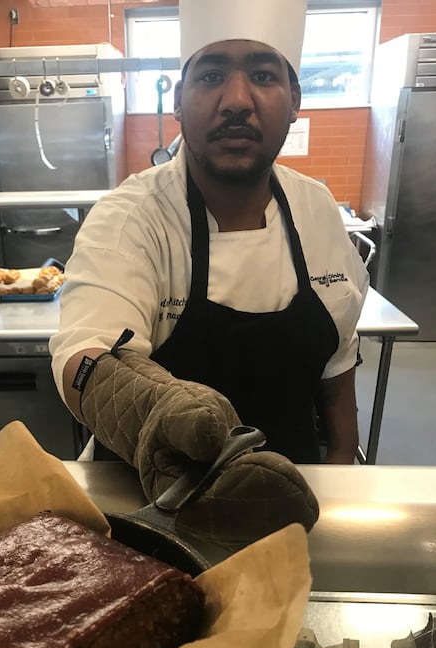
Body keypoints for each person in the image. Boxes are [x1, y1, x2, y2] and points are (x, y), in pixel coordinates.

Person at [50, 0, 368, 547]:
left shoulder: (315, 208)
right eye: (213, 74)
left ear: (294, 101)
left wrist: (342, 465)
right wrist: (160, 410)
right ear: (179, 101)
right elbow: (83, 358)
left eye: (264, 76)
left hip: (291, 505)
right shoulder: (131, 218)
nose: (237, 101)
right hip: (151, 514)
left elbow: (338, 357)